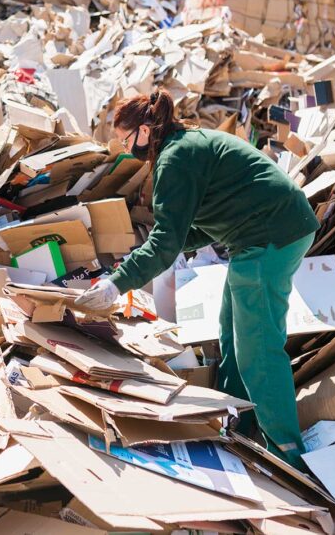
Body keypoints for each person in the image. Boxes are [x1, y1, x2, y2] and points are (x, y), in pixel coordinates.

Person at [75, 90, 320, 467]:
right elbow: (201, 223)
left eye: (126, 141)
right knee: (232, 332)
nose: (126, 150)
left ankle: (289, 453)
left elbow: (165, 242)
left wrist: (116, 283)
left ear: (144, 131)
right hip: (271, 229)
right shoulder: (186, 143)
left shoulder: (174, 158)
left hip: (268, 237)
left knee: (258, 350)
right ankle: (240, 422)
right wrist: (161, 251)